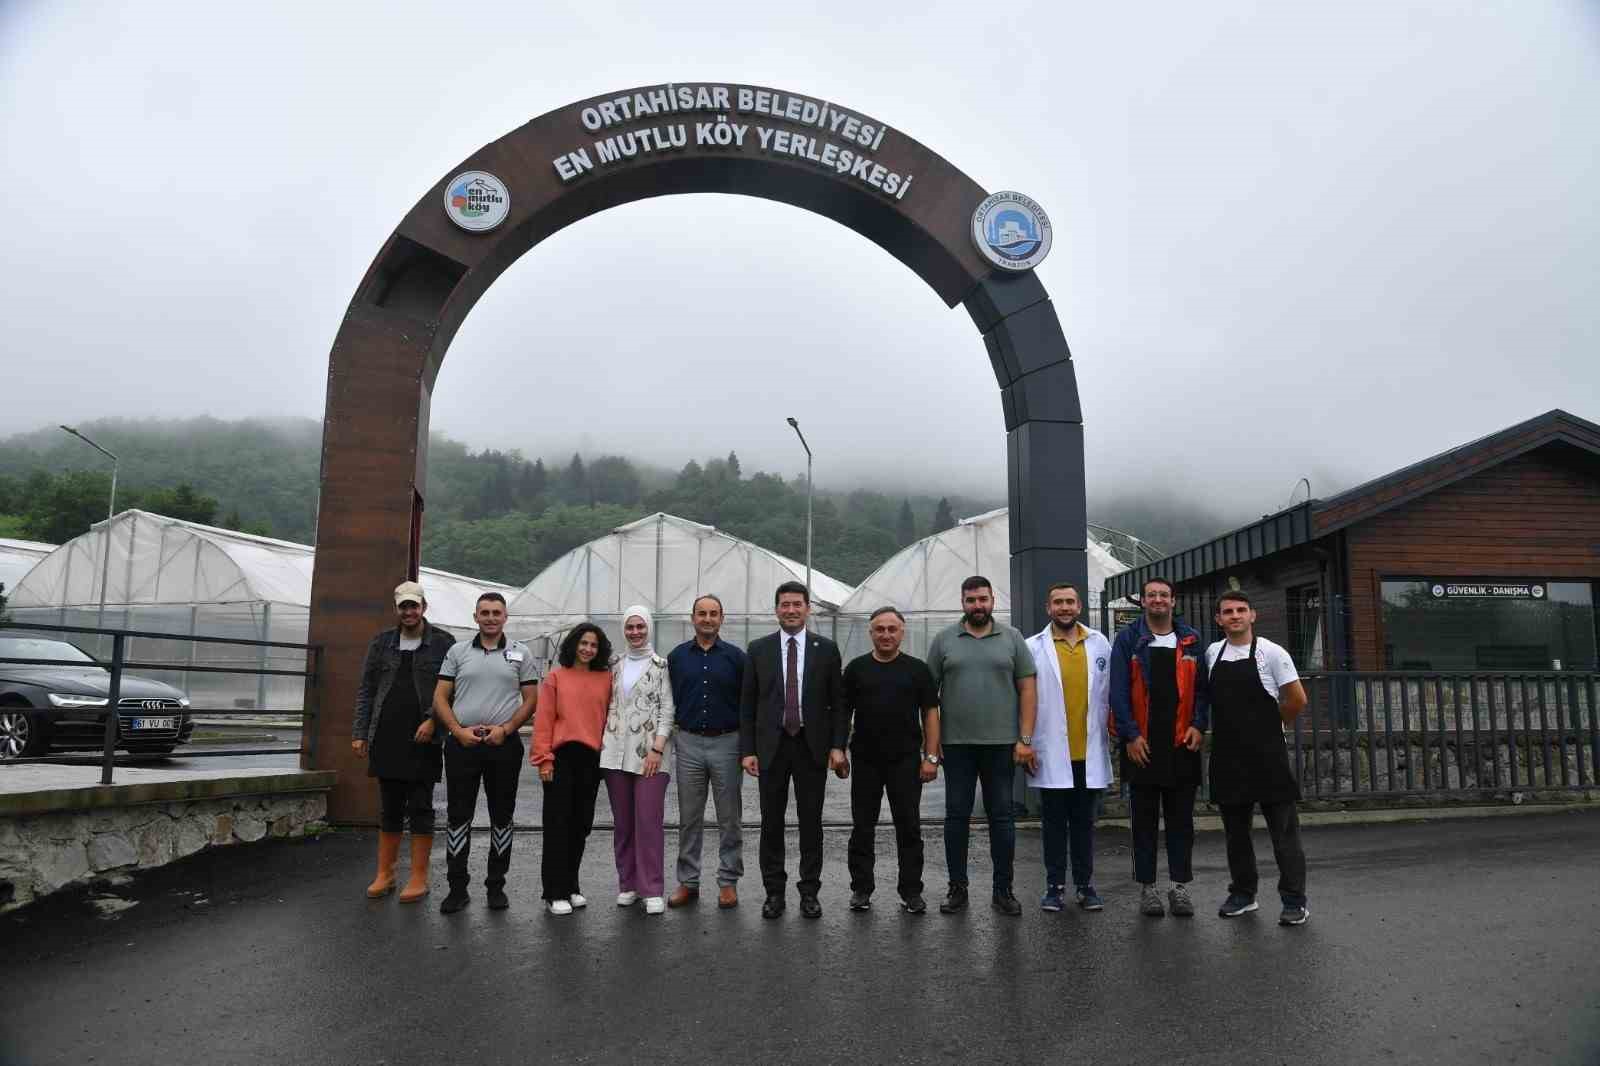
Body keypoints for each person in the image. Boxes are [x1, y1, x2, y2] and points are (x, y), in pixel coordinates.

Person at [925, 575, 1037, 917]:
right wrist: (932, 745)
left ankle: (1003, 890)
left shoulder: (1013, 638)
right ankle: (957, 889)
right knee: (956, 817)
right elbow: (929, 699)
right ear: (963, 602)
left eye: (983, 599)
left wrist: (1025, 739)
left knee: (1001, 818)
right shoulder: (944, 641)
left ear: (992, 601)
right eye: (971, 600)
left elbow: (1028, 690)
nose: (978, 605)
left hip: (1002, 746)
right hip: (955, 747)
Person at [739, 581, 847, 919]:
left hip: (811, 747)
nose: (791, 610)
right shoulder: (758, 649)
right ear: (776, 609)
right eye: (784, 605)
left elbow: (838, 704)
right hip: (771, 748)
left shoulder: (826, 649)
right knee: (771, 822)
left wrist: (838, 746)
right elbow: (748, 704)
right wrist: (748, 750)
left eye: (797, 604)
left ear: (807, 608)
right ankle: (774, 892)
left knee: (810, 822)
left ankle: (809, 892)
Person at [1204, 590, 1311, 926]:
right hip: (1227, 757)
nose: (1234, 616)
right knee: (1236, 834)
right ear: (1218, 619)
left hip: (1268, 757)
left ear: (1252, 616)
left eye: (1240, 610)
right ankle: (1243, 894)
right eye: (1227, 611)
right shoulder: (1211, 653)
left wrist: (1275, 724)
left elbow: (1296, 698)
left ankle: (1294, 901)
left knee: (1284, 835)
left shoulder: (1271, 653)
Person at [432, 592, 539, 914]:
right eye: (485, 613)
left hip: (503, 746)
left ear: (505, 617)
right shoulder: (457, 652)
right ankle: (457, 888)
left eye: (496, 612)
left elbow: (532, 700)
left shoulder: (522, 653)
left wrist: (506, 730)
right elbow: (440, 697)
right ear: (475, 617)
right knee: (458, 816)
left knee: (502, 817)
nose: (491, 618)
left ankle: (496, 886)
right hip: (462, 744)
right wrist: (457, 730)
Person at [352, 580, 458, 903]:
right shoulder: (381, 642)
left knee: (421, 806)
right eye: (404, 607)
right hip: (386, 734)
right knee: (390, 806)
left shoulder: (443, 642)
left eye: (415, 606)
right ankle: (385, 874)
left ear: (424, 607)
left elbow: (452, 689)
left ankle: (418, 877)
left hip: (424, 737)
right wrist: (359, 732)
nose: (409, 612)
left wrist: (433, 720)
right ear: (397, 610)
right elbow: (367, 689)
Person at [1109, 576, 1208, 918]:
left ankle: (1179, 887)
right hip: (1143, 746)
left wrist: (1199, 725)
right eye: (1151, 595)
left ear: (1173, 601)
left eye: (1163, 595)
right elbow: (1118, 693)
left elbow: (1203, 692)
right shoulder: (1128, 640)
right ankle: (1147, 888)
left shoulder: (1191, 639)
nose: (1157, 600)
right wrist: (1131, 736)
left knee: (1182, 822)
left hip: (1183, 744)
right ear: (1143, 602)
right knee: (1144, 823)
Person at [841, 606, 941, 915]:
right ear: (870, 633)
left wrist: (931, 757)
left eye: (892, 629)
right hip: (866, 760)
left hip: (906, 761)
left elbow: (931, 714)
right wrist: (838, 750)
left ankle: (911, 890)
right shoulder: (856, 669)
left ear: (902, 632)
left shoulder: (918, 670)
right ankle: (861, 889)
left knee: (909, 826)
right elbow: (844, 713)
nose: (886, 634)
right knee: (863, 827)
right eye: (880, 629)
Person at [1024, 582, 1114, 913]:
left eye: (1070, 602)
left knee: (1084, 825)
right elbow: (1024, 699)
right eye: (1058, 602)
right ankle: (1054, 887)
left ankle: (1086, 886)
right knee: (1052, 825)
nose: (1064, 607)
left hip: (1087, 752)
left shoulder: (1100, 643)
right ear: (1049, 608)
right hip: (1051, 753)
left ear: (1079, 607)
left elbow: (1108, 695)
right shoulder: (1032, 646)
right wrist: (1025, 742)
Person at [665, 594, 747, 910]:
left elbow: (747, 704)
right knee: (689, 817)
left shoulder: (737, 658)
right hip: (687, 742)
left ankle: (728, 882)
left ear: (722, 618)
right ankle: (688, 881)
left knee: (730, 818)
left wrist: (747, 747)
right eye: (702, 613)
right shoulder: (676, 657)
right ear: (693, 618)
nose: (708, 619)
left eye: (714, 613)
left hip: (727, 742)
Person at [530, 622, 613, 916]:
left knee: (581, 825)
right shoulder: (556, 677)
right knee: (558, 825)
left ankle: (572, 885)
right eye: (583, 643)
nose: (588, 649)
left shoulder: (606, 678)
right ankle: (554, 892)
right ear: (573, 644)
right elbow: (544, 721)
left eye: (593, 645)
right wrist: (544, 759)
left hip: (592, 759)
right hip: (561, 756)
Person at [600, 606, 676, 915]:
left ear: (649, 628)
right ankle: (628, 884)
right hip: (614, 753)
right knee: (623, 824)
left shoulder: (661, 666)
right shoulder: (613, 665)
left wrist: (657, 749)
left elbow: (667, 709)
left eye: (640, 626)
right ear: (623, 629)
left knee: (648, 822)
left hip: (650, 757)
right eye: (630, 627)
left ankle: (652, 887)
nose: (635, 632)